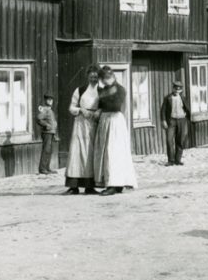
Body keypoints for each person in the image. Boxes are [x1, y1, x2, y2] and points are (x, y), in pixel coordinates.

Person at [92, 65, 138, 195]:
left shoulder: (120, 89)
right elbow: (101, 104)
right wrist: (100, 108)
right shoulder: (103, 90)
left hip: (114, 121)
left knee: (113, 152)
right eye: (103, 78)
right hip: (105, 120)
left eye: (106, 78)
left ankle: (114, 184)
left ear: (112, 77)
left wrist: (102, 107)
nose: (105, 80)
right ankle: (113, 183)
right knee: (106, 151)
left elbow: (115, 105)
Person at [65, 65, 101, 195]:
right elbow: (71, 108)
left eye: (96, 76)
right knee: (77, 152)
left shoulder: (101, 91)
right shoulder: (80, 90)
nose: (93, 78)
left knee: (91, 154)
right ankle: (73, 186)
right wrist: (81, 110)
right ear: (87, 76)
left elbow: (105, 105)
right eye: (91, 76)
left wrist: (98, 111)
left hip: (94, 124)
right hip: (80, 124)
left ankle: (89, 186)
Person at [160, 80, 191, 166]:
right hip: (171, 121)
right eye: (175, 88)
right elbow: (163, 110)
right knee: (169, 140)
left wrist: (187, 117)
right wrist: (163, 120)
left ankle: (178, 159)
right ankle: (171, 160)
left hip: (182, 120)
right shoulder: (168, 98)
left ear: (181, 90)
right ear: (173, 88)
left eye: (179, 88)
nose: (177, 90)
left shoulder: (183, 98)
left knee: (180, 140)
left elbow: (187, 108)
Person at [36, 95, 59, 174]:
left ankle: (47, 168)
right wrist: (46, 125)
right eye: (48, 100)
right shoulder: (45, 109)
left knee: (49, 150)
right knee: (46, 150)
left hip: (51, 133)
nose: (50, 102)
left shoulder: (50, 110)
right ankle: (42, 169)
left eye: (51, 100)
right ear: (45, 100)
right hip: (47, 133)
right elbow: (38, 119)